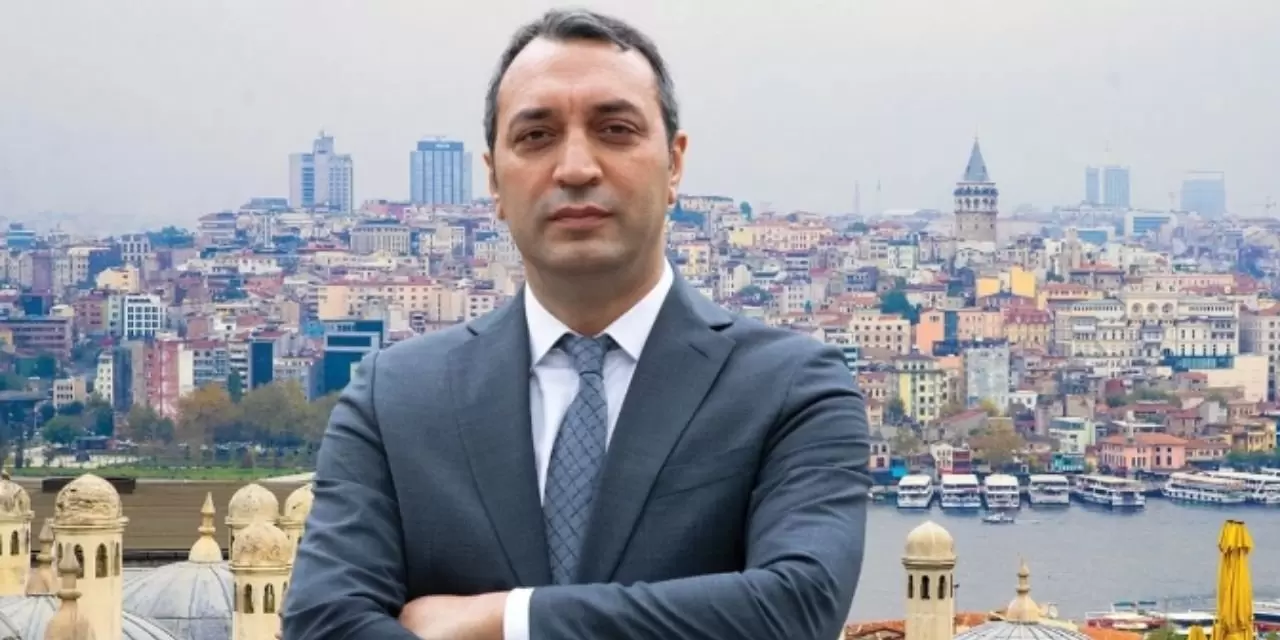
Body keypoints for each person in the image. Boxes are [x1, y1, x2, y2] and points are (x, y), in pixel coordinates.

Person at [282, 8, 870, 640]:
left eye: (615, 130)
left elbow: (795, 607)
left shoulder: (792, 389)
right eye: (536, 136)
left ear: (674, 165)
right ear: (494, 180)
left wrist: (507, 619)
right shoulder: (396, 398)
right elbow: (323, 623)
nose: (576, 168)